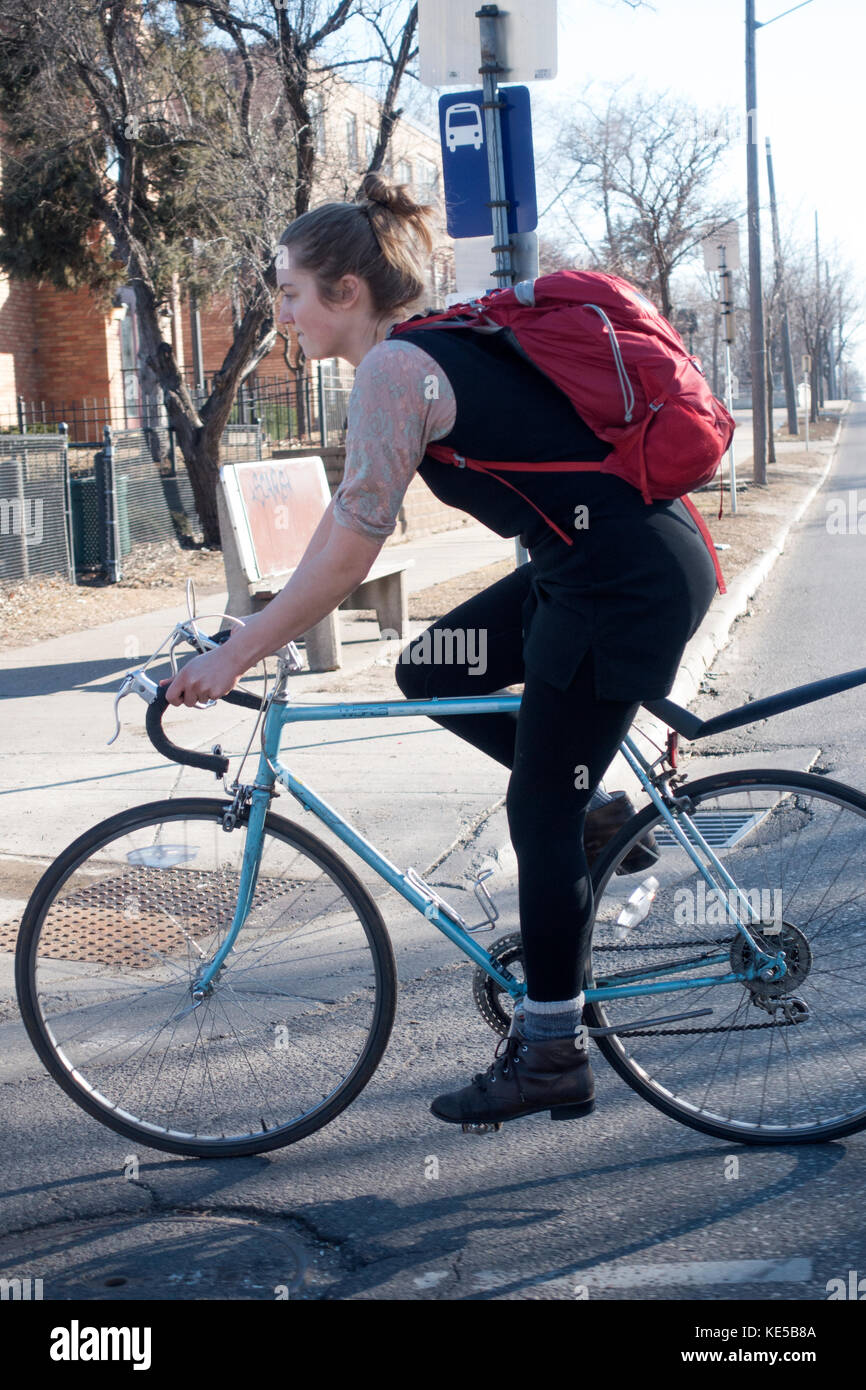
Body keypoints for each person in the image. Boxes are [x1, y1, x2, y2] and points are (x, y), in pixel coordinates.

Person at [164, 172, 718, 1129]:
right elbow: (348, 533)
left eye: (291, 292)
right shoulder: (426, 349)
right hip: (591, 562)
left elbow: (348, 547)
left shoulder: (393, 370)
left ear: (346, 291)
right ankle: (595, 812)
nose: (284, 314)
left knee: (533, 808)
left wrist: (241, 651)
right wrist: (248, 635)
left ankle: (552, 1050)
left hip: (615, 584)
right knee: (436, 668)